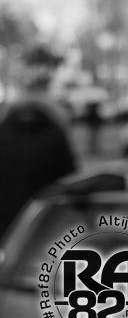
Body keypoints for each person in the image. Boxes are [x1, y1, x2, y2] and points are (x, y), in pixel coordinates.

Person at [0, 99, 76, 238]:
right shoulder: (55, 134)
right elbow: (69, 177)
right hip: (45, 214)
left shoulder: (3, 132)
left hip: (5, 214)